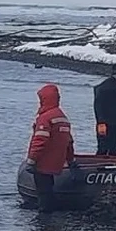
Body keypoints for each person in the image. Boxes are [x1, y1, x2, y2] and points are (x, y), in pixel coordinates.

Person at [24, 84, 76, 213]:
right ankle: (50, 211)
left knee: (43, 189)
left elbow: (39, 141)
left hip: (44, 160)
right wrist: (70, 160)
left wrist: (31, 160)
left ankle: (44, 218)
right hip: (56, 162)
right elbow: (69, 141)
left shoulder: (45, 118)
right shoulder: (63, 117)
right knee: (48, 186)